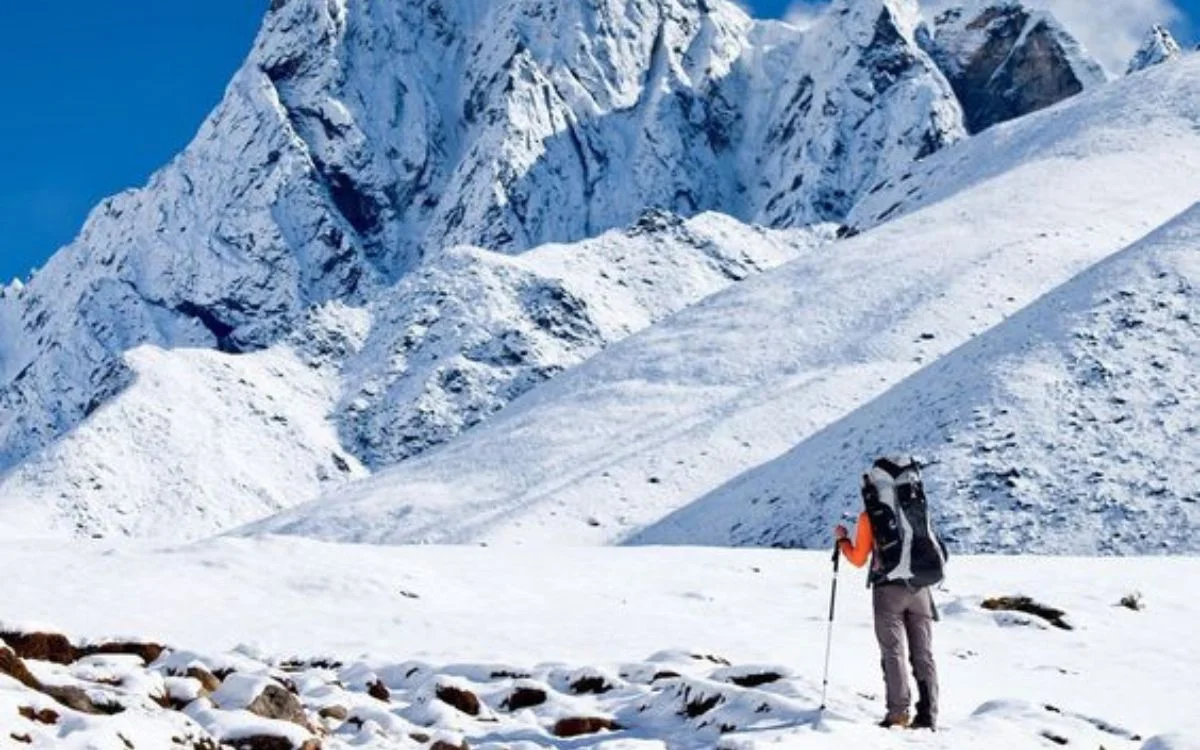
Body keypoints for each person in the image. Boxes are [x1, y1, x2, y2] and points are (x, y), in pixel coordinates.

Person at [835, 456, 947, 730]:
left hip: (887, 591)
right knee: (924, 654)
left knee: (893, 651)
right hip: (921, 587)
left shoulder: (870, 516)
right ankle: (928, 715)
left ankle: (898, 713)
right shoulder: (918, 508)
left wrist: (842, 541)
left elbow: (859, 558)